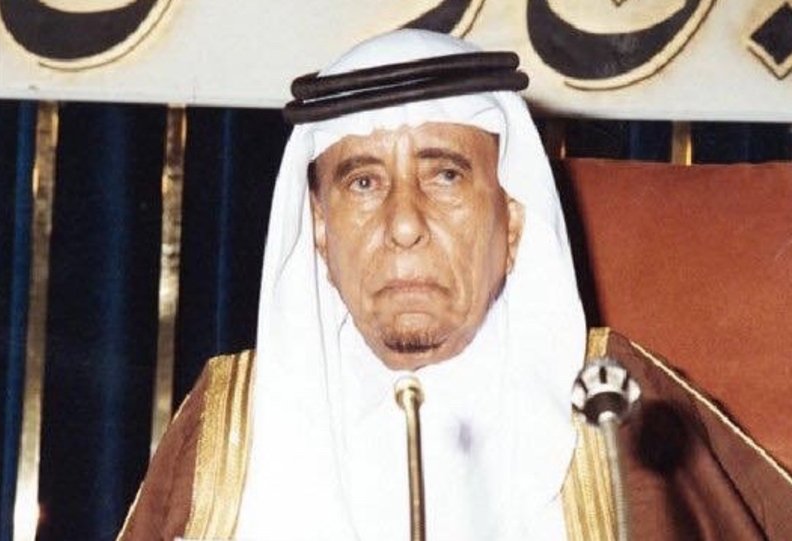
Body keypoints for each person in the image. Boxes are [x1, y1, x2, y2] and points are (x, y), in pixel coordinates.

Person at [118, 29, 792, 541]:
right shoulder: (229, 426)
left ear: (514, 218)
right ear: (320, 229)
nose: (404, 224)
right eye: (364, 181)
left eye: (444, 176)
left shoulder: (616, 410)